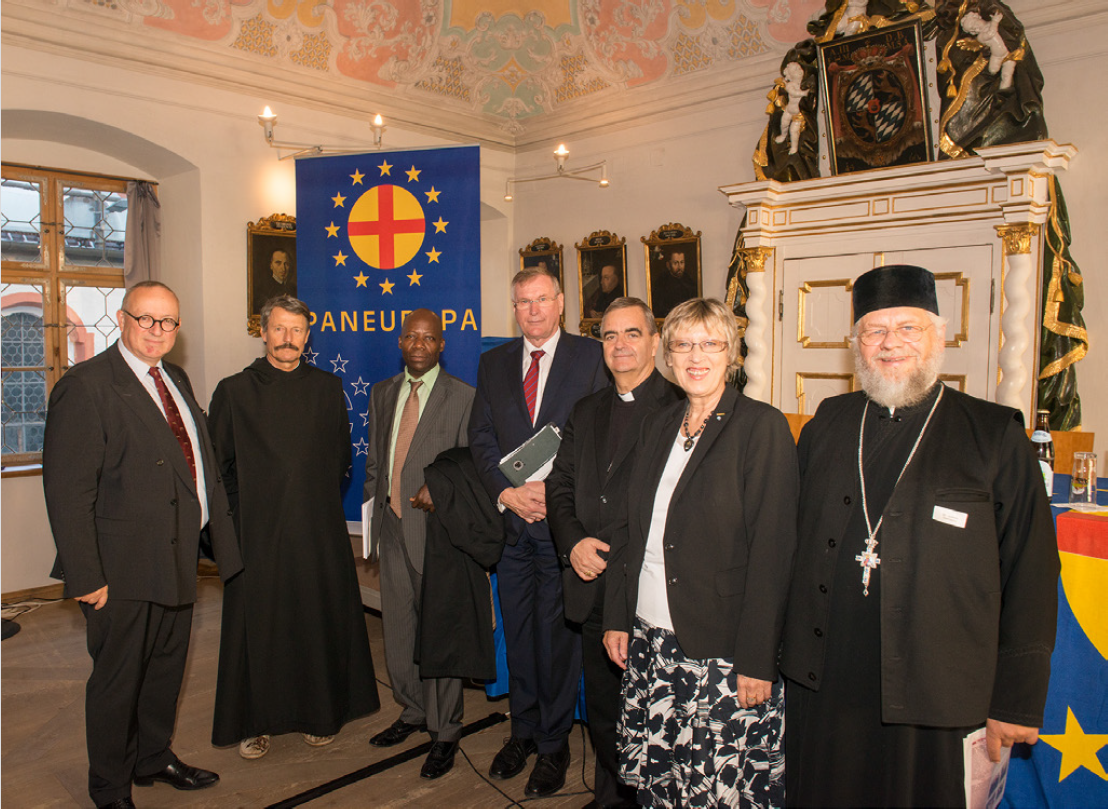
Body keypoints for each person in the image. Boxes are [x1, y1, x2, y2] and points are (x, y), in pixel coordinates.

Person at [781, 265, 1060, 806]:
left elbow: (1032, 570)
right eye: (875, 330)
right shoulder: (828, 423)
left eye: (908, 328)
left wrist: (1017, 701)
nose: (891, 344)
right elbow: (789, 544)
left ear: (939, 335)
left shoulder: (995, 433)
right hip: (827, 678)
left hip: (937, 686)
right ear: (855, 344)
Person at [43, 280, 244, 809]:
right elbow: (68, 493)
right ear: (123, 318)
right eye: (147, 320)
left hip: (177, 558)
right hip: (121, 570)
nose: (158, 332)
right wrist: (87, 577)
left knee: (163, 673)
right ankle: (109, 788)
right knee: (117, 684)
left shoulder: (173, 377)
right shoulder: (87, 386)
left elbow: (194, 465)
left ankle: (152, 759)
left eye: (169, 322)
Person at [603, 298, 798, 808]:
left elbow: (773, 553)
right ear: (666, 354)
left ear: (731, 353)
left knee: (717, 787)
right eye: (684, 343)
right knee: (661, 783)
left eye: (710, 343)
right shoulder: (658, 424)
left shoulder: (761, 428)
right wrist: (618, 617)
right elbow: (632, 529)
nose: (696, 356)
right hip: (651, 638)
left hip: (723, 648)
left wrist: (758, 658)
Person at [209, 294, 380, 759]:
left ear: (308, 335)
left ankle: (320, 713)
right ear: (262, 332)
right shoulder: (233, 391)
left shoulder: (327, 387)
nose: (288, 339)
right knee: (259, 627)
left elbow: (341, 461)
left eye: (297, 330)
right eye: (279, 329)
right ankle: (256, 723)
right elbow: (218, 468)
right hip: (258, 534)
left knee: (314, 620)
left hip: (316, 530)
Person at [468, 267, 608, 796]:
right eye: (523, 301)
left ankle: (554, 745)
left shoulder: (591, 358)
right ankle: (522, 730)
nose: (533, 310)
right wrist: (507, 491)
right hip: (511, 526)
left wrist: (557, 496)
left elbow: (598, 440)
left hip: (562, 529)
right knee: (519, 637)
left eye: (542, 299)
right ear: (514, 307)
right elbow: (480, 438)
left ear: (562, 302)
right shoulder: (493, 362)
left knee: (557, 643)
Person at [547, 297, 680, 807]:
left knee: (649, 712)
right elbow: (560, 485)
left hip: (647, 591)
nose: (620, 345)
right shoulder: (587, 409)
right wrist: (573, 541)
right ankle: (612, 795)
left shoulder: (678, 406)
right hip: (591, 584)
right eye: (609, 335)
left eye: (631, 334)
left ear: (653, 341)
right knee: (603, 711)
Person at [364, 309, 475, 780]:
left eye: (428, 338)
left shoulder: (464, 398)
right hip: (390, 528)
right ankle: (411, 710)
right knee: (399, 631)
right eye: (411, 336)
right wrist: (374, 511)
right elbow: (375, 456)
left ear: (441, 344)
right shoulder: (383, 392)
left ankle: (445, 730)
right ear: (400, 340)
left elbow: (471, 466)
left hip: (436, 536)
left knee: (438, 635)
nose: (419, 345)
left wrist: (442, 491)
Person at [649, 250, 697, 319]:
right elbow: (658, 307)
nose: (679, 267)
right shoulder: (661, 282)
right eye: (675, 263)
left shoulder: (689, 281)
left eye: (682, 262)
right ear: (668, 265)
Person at [252, 248, 296, 313]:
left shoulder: (294, 288)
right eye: (278, 263)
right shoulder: (262, 289)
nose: (283, 268)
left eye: (286, 264)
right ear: (271, 265)